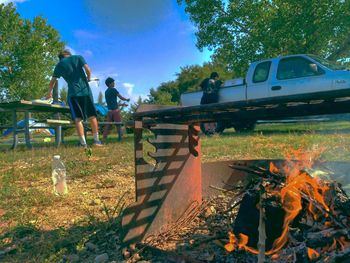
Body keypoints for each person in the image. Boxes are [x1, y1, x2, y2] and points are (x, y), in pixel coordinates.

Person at [47, 50, 102, 147]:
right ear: (69, 55)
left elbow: (52, 82)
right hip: (86, 92)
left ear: (60, 58)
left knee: (77, 119)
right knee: (92, 116)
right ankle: (96, 141)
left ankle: (83, 143)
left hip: (73, 94)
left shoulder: (59, 65)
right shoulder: (78, 57)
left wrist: (49, 94)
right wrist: (89, 78)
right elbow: (88, 70)